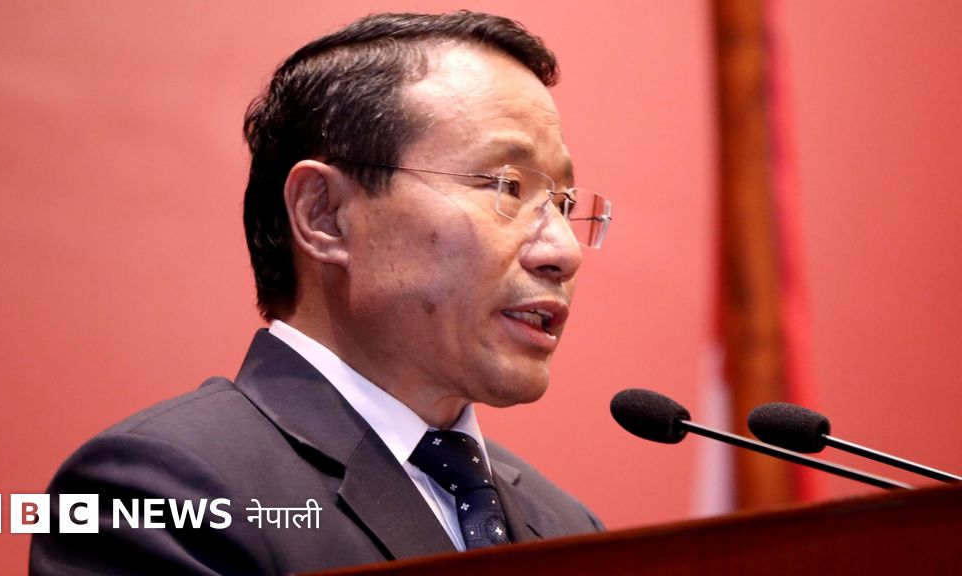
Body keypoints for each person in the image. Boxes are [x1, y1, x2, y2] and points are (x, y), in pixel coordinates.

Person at [30, 11, 612, 575]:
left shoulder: (568, 528)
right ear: (325, 214)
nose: (563, 251)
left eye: (563, 204)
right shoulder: (159, 494)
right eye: (507, 186)